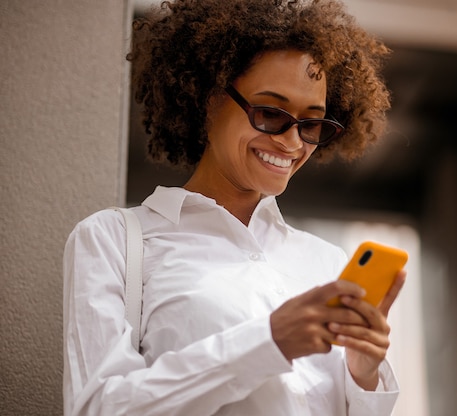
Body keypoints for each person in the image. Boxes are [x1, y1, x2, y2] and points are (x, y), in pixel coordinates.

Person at [63, 0, 406, 414]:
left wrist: (363, 375)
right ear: (208, 97)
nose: (293, 143)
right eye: (269, 113)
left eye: (312, 123)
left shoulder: (326, 261)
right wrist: (269, 341)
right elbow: (97, 409)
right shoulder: (113, 240)